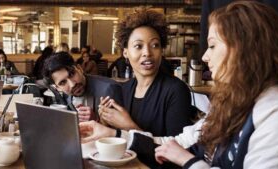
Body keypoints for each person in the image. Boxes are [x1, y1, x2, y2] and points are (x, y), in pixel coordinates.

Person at [79, 1, 278, 168]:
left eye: (212, 45)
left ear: (245, 49)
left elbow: (179, 154)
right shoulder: (229, 104)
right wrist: (111, 133)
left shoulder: (277, 114)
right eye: (138, 46)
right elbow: (174, 143)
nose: (205, 56)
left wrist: (187, 161)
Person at [81, 9, 197, 168]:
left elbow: (177, 157)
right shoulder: (124, 89)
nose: (147, 53)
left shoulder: (176, 90)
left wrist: (128, 126)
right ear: (126, 52)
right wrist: (104, 121)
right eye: (138, 46)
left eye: (155, 45)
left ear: (161, 51)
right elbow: (118, 142)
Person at [43, 51, 123, 122]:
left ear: (80, 69)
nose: (72, 84)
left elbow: (124, 133)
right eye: (63, 82)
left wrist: (96, 120)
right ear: (58, 88)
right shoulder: (67, 96)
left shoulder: (109, 89)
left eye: (72, 74)